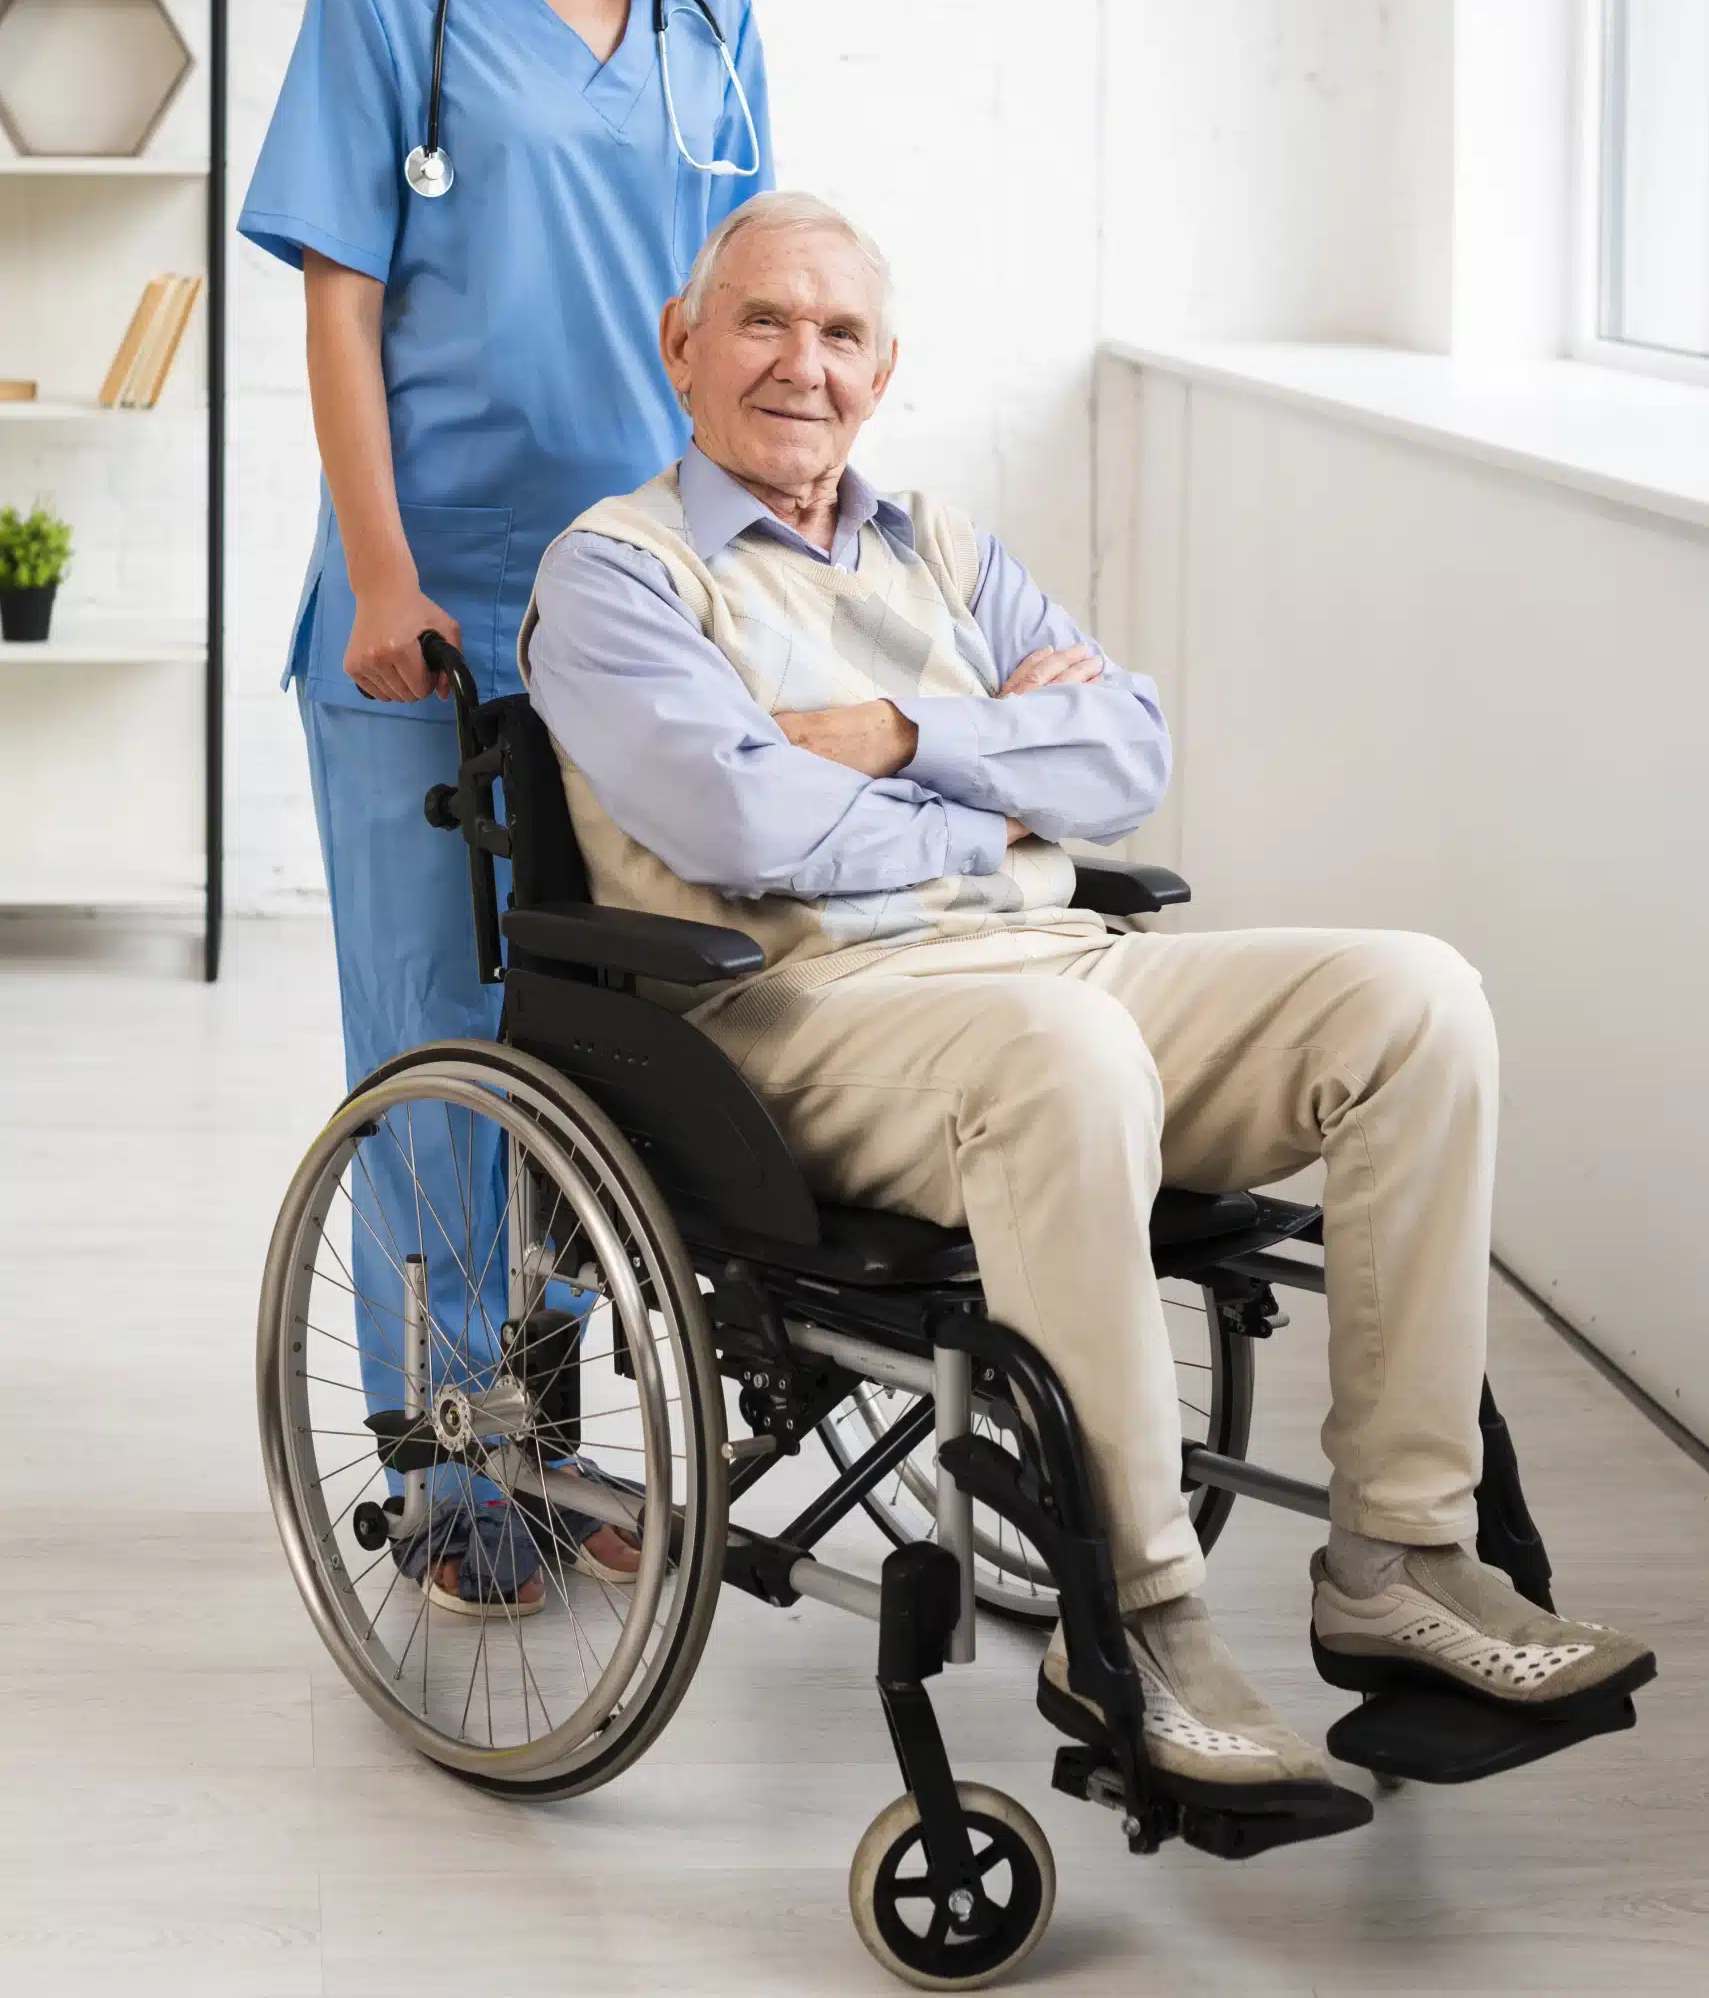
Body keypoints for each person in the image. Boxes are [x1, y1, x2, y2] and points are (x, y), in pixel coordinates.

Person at [518, 188, 1653, 1790]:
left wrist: (909, 740)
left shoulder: (949, 553)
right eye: (763, 321)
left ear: (886, 368)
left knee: (1416, 998)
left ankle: (1399, 1558)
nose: (802, 364)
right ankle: (1137, 1618)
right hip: (808, 1018)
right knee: (1064, 1051)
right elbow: (734, 821)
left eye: (841, 333)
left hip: (1057, 968)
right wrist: (1009, 786)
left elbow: (1130, 759)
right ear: (682, 345)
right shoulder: (619, 576)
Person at [239, 0, 772, 1611]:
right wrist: (379, 571)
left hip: (639, 607)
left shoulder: (704, 7)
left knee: (609, 1045)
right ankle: (456, 1475)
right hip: (435, 610)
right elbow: (341, 300)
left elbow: (742, 311)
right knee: (440, 1032)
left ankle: (555, 1446)